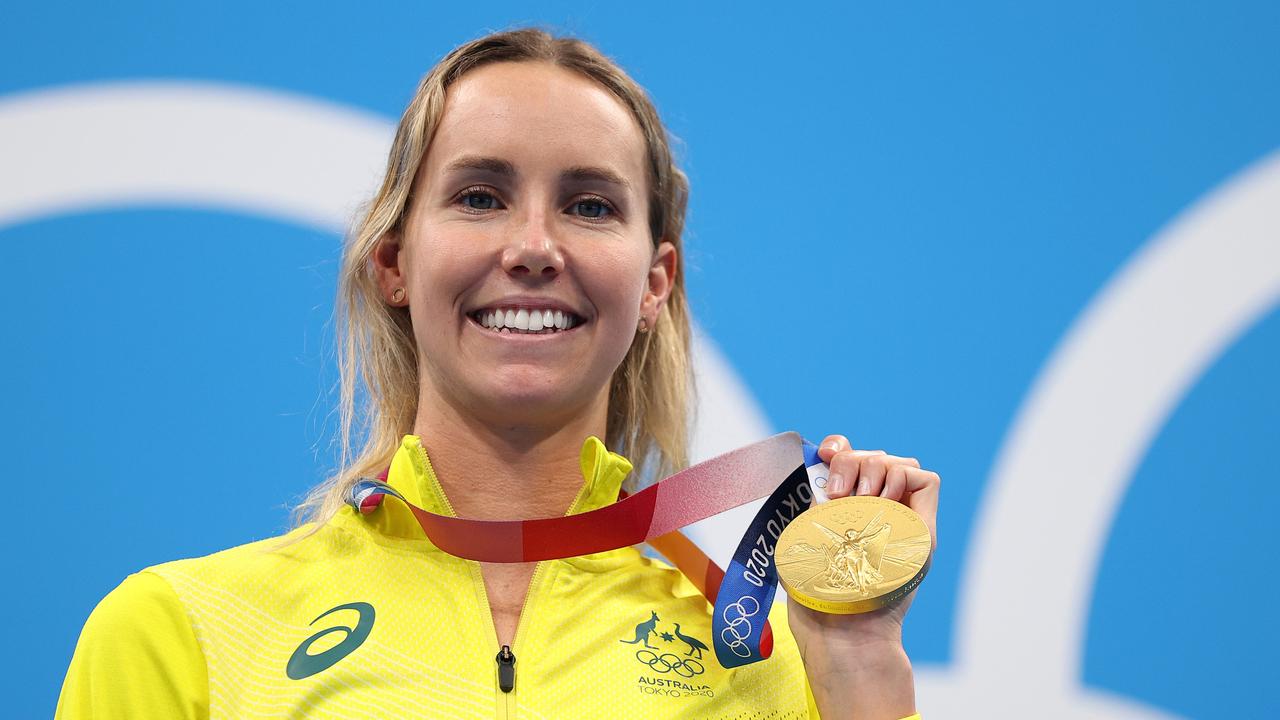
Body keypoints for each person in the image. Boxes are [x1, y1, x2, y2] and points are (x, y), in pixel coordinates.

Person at [57, 26, 940, 719]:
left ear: (654, 286)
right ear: (395, 263)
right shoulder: (186, 632)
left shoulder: (772, 664)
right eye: (480, 196)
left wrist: (859, 672)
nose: (533, 248)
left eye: (589, 206)